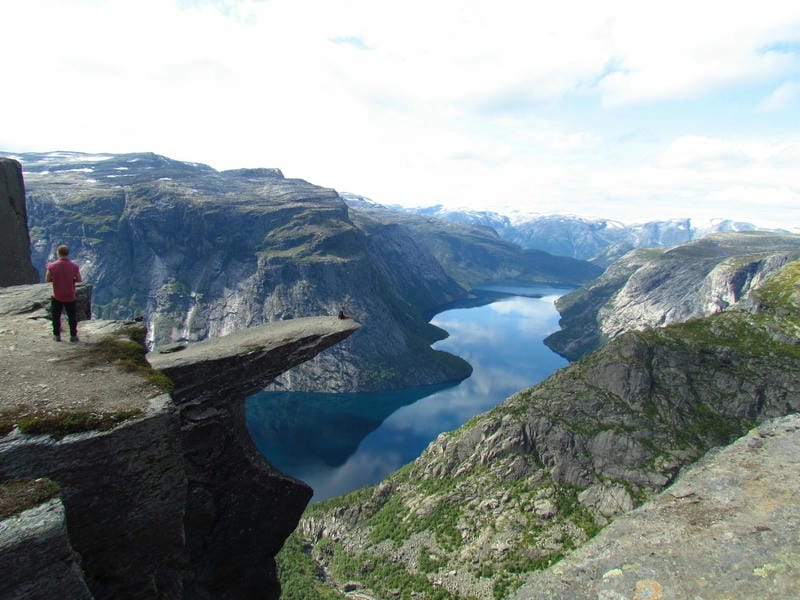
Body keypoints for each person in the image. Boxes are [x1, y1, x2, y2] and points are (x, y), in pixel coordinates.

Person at [45, 245, 83, 342]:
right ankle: (73, 336)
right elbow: (79, 279)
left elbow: (47, 279)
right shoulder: (74, 267)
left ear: (58, 253)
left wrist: (56, 279)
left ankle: (57, 335)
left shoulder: (52, 266)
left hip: (57, 295)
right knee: (72, 316)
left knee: (56, 316)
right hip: (70, 295)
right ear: (67, 253)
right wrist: (71, 280)